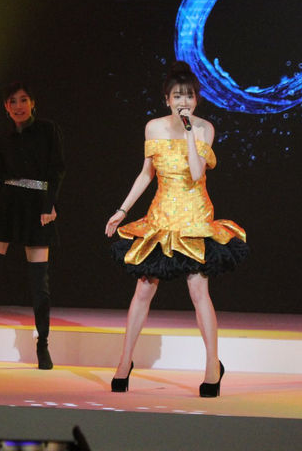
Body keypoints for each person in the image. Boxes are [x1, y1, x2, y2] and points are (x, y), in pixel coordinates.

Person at [105, 61, 248, 397]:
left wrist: (188, 134)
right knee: (143, 289)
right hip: (161, 217)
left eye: (189, 96)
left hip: (194, 217)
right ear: (166, 99)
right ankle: (124, 361)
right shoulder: (153, 128)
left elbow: (197, 174)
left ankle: (212, 366)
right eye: (177, 96)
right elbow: (146, 174)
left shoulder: (204, 129)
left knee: (198, 290)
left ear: (196, 99)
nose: (184, 102)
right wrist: (122, 210)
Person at [0, 81, 65, 369]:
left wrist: (49, 204)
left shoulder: (47, 130)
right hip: (6, 207)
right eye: (13, 101)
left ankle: (43, 345)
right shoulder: (1, 141)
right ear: (6, 107)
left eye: (23, 99)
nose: (18, 106)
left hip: (37, 206)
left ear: (33, 103)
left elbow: (56, 170)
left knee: (39, 283)